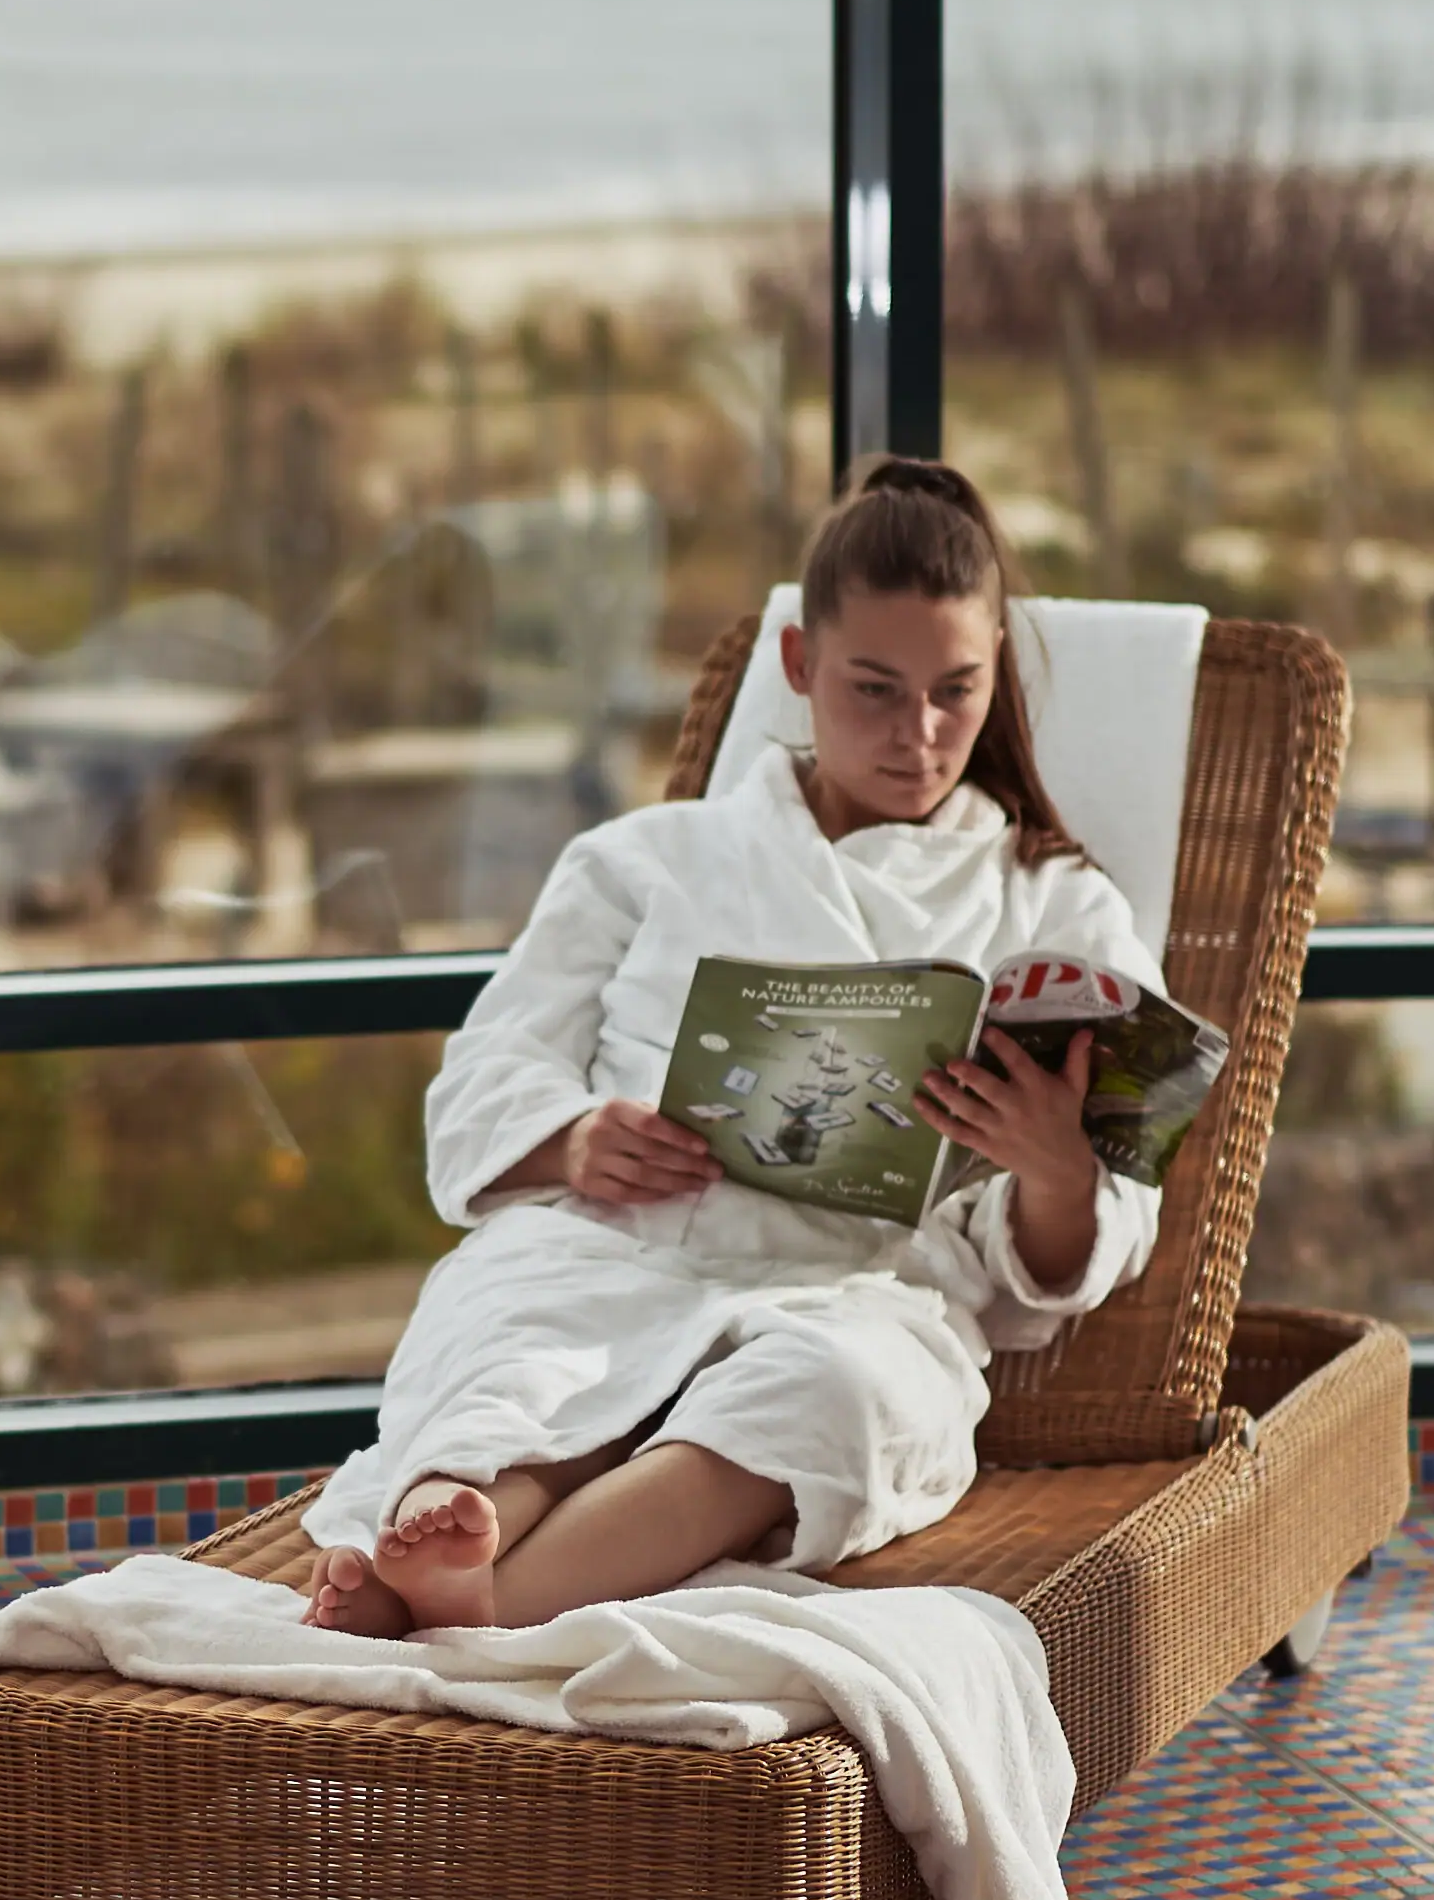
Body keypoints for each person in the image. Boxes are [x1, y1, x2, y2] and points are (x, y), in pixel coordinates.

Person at [303, 456, 1167, 1639]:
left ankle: (476, 1595)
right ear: (799, 667)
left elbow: (1086, 1236)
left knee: (836, 1399)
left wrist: (1058, 1170)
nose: (918, 736)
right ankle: (464, 1519)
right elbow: (481, 1078)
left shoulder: (1054, 909)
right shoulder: (643, 859)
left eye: (955, 693)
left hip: (856, 1291)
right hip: (618, 1249)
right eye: (873, 689)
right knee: (518, 1352)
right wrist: (573, 1141)